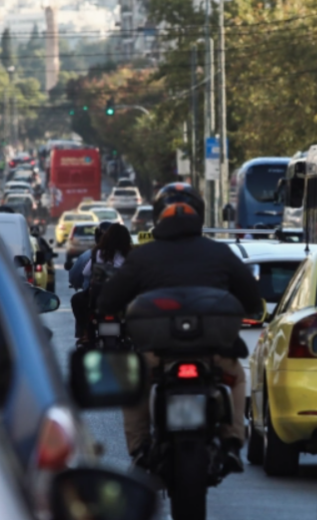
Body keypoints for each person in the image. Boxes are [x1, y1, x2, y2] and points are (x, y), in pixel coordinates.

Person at [96, 183, 262, 474]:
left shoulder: (143, 256)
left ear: (159, 217)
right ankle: (233, 442)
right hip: (212, 352)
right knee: (235, 376)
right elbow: (252, 299)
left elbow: (108, 300)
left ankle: (140, 447)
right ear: (199, 215)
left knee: (133, 385)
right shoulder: (220, 253)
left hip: (157, 353)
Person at [68, 221, 113, 342]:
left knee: (77, 300)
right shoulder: (126, 253)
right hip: (121, 299)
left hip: (95, 299)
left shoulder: (90, 254)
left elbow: (81, 274)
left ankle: (85, 333)